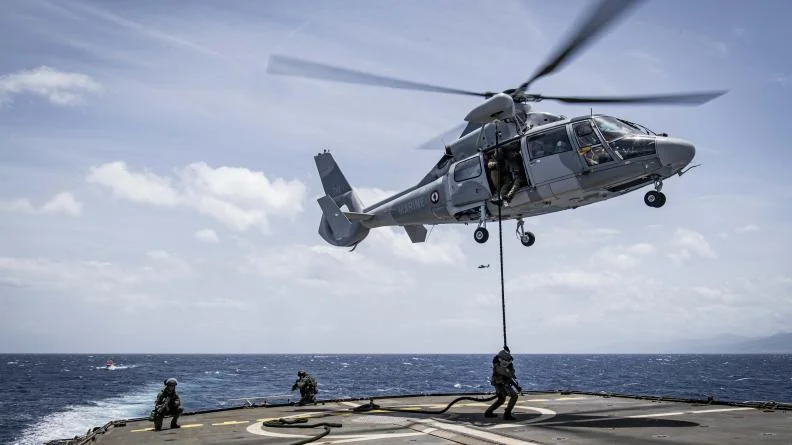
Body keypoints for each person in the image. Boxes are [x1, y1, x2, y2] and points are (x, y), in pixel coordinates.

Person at [484, 346, 522, 420]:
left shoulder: (500, 364)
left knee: (501, 399)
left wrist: (507, 351)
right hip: (500, 383)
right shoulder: (500, 367)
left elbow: (510, 377)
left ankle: (488, 412)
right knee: (514, 396)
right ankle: (507, 414)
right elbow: (509, 375)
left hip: (501, 383)